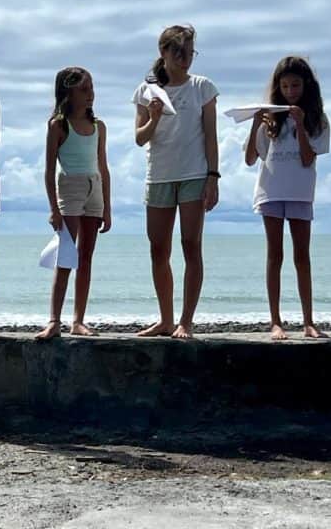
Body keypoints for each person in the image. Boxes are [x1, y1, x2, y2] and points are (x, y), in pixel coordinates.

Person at [132, 25, 219, 339]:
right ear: (163, 52)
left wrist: (214, 177)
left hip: (194, 173)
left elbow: (211, 135)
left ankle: (186, 321)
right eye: (178, 51)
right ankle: (166, 319)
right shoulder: (146, 90)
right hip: (160, 175)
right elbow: (140, 138)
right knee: (158, 249)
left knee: (191, 245)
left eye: (190, 52)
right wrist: (154, 118)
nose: (185, 58)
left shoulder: (202, 87)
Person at [244, 56, 330, 340]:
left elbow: (308, 158)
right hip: (271, 190)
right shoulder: (272, 118)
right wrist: (255, 122)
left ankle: (308, 321)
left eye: (295, 85)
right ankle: (275, 321)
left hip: (300, 192)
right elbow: (249, 159)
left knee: (302, 256)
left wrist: (302, 125)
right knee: (275, 255)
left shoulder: (317, 119)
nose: (290, 91)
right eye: (284, 86)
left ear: (307, 86)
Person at [36, 68, 112, 340]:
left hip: (95, 188)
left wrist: (108, 207)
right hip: (70, 186)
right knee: (66, 257)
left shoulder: (98, 126)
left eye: (91, 88)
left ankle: (78, 320)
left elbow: (104, 167)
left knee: (86, 257)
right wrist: (53, 209)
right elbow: (47, 170)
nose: (90, 94)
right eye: (84, 89)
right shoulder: (58, 124)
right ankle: (54, 320)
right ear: (68, 92)